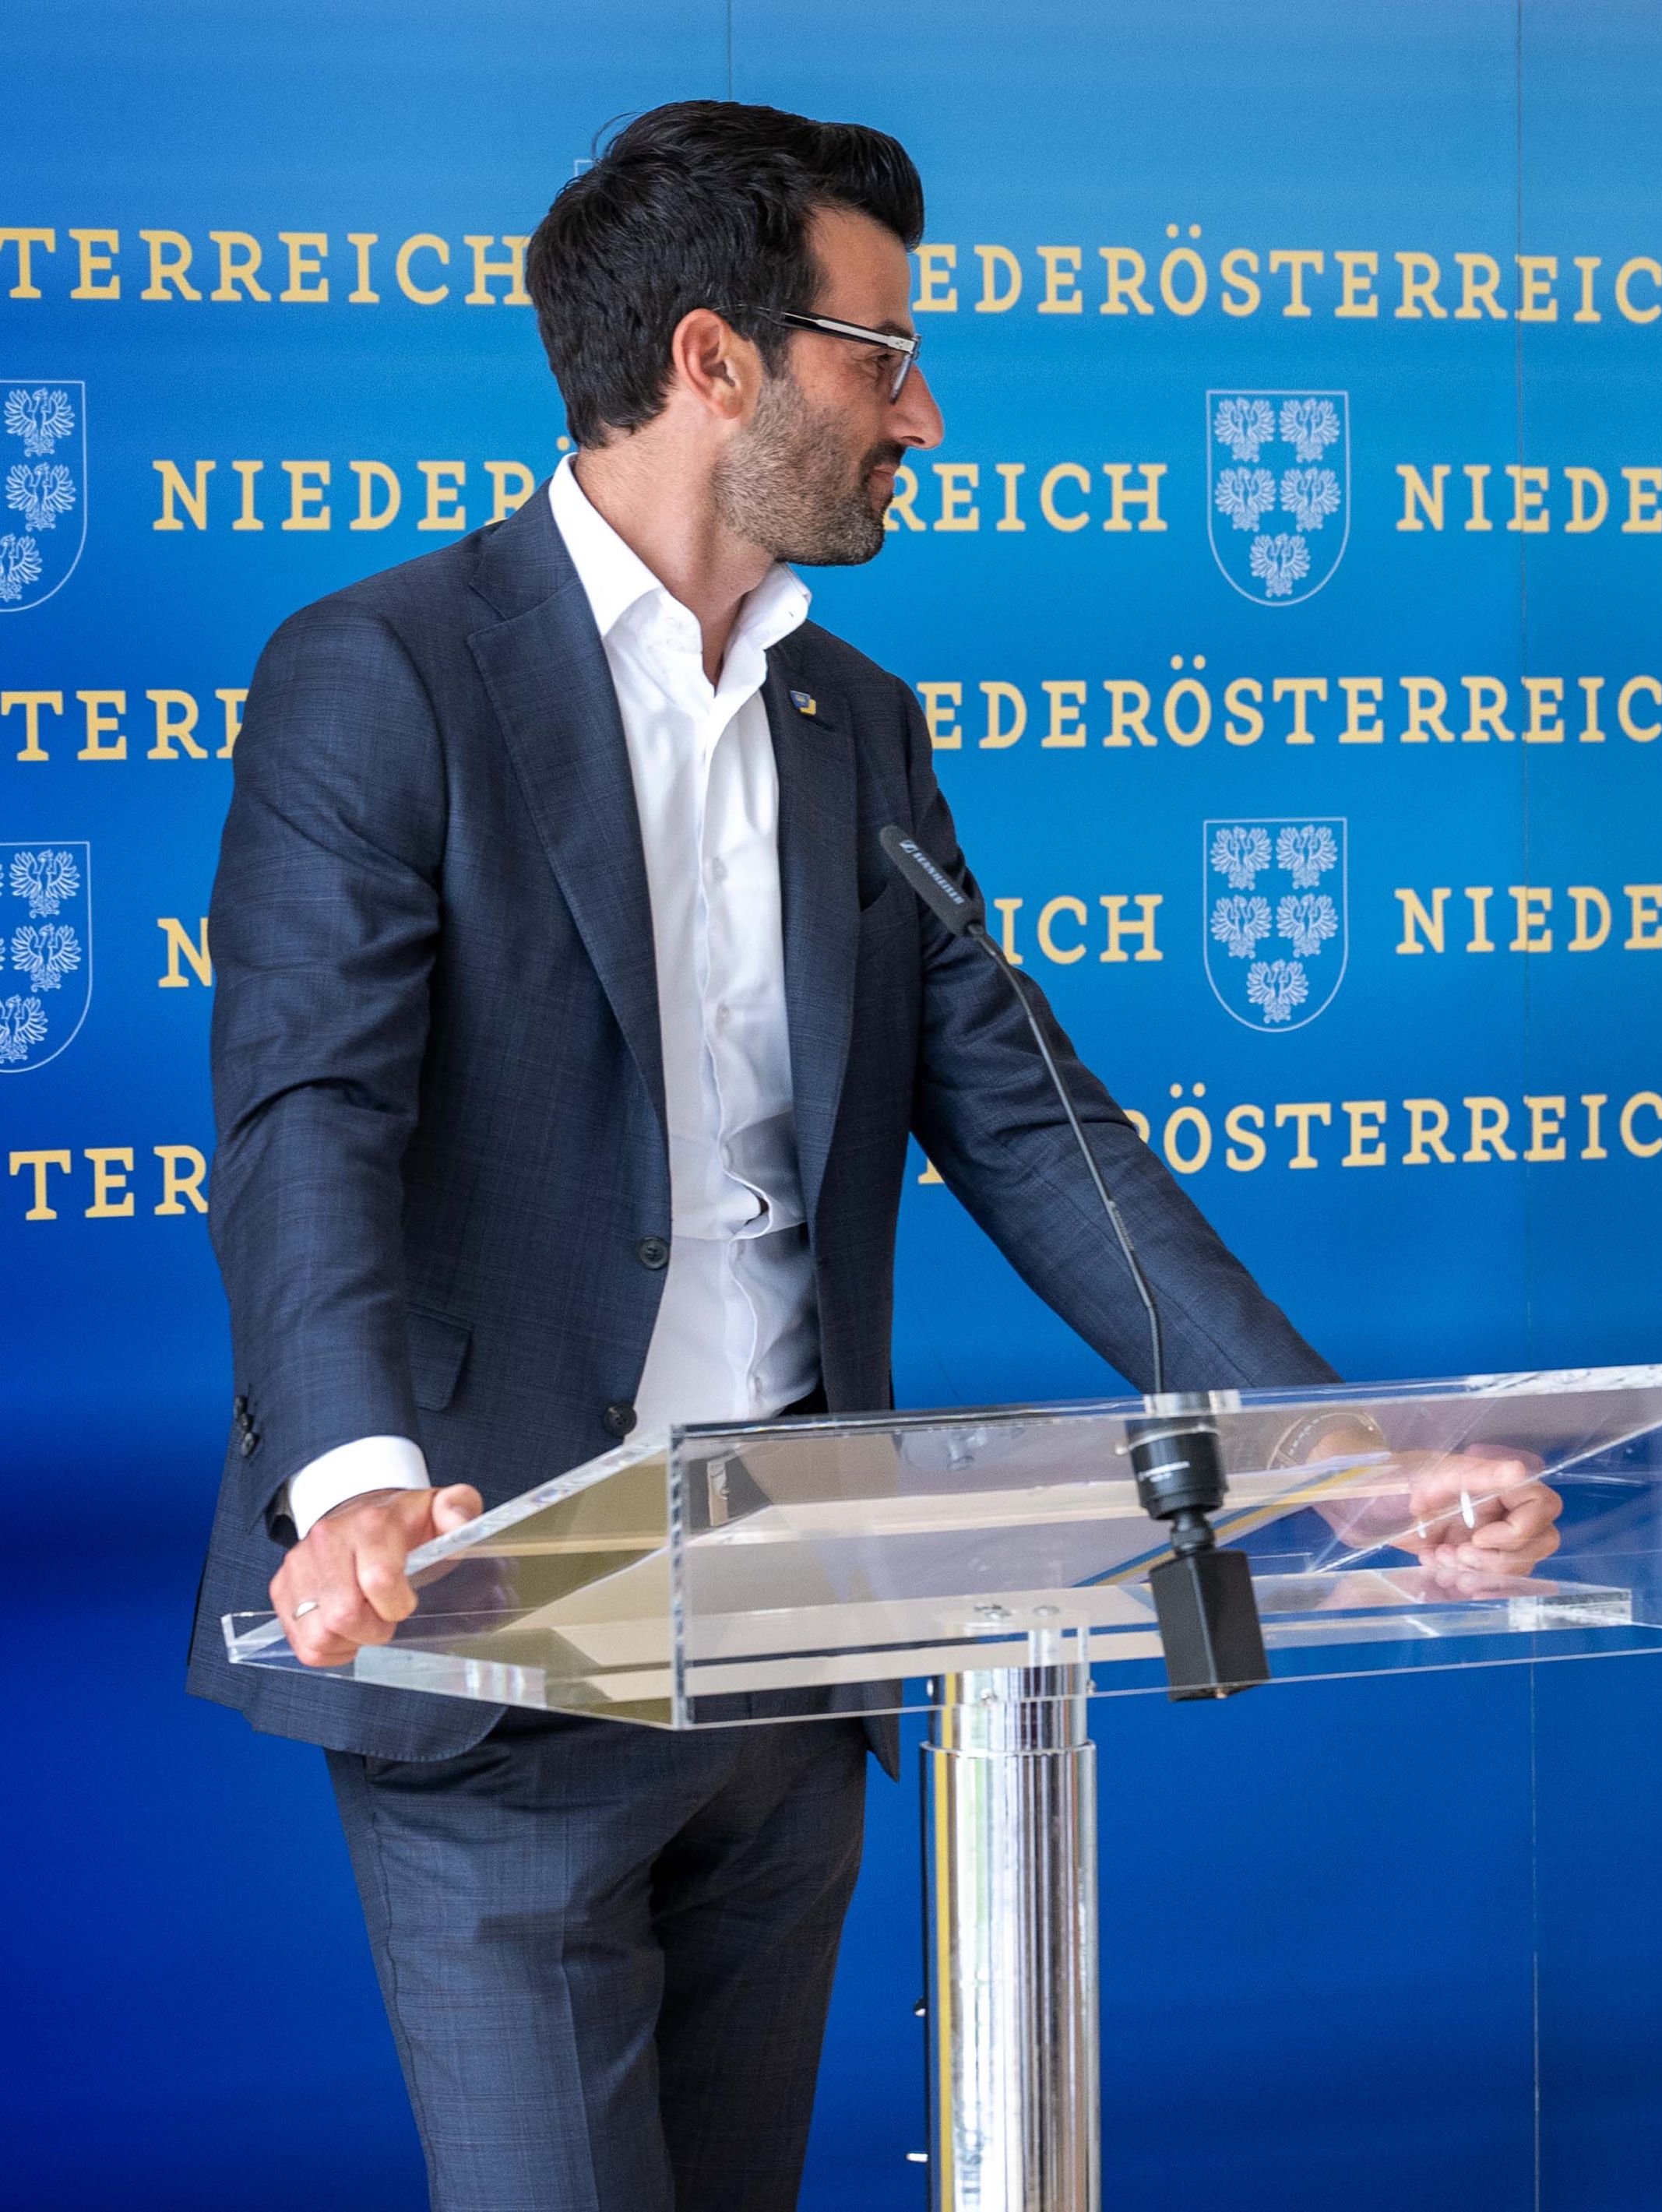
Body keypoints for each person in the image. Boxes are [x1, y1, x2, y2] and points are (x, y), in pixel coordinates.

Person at [180, 101, 1553, 2212]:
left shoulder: (861, 725)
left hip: (795, 1654)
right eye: (878, 354)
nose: (922, 407)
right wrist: (358, 1484)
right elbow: (305, 1120)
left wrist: (1328, 1442)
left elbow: (1032, 1119)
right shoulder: (387, 676)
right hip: (495, 1642)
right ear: (717, 363)